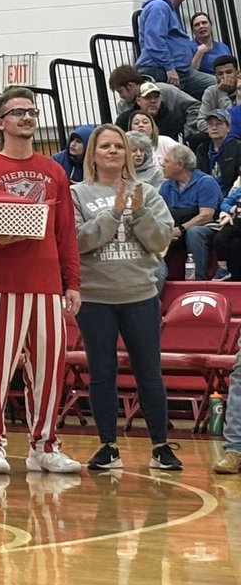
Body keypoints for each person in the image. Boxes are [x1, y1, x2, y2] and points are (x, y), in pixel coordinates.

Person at [0, 87, 82, 475]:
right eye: (17, 112)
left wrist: (73, 283)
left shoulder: (54, 171)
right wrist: (2, 235)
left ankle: (44, 444)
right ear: (0, 122)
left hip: (48, 285)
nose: (27, 117)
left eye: (31, 111)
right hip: (3, 286)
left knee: (50, 368)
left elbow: (65, 232)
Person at [71, 125, 182, 471]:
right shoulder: (78, 194)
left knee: (149, 371)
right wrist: (115, 214)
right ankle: (108, 445)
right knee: (102, 372)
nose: (113, 151)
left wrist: (139, 214)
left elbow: (162, 239)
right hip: (95, 298)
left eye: (118, 145)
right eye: (105, 146)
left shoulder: (147, 192)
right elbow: (77, 242)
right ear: (94, 153)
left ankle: (161, 446)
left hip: (140, 294)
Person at [135, 0, 215, 99]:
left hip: (180, 71)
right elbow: (155, 40)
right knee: (171, 107)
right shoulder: (159, 7)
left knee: (216, 86)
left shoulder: (164, 8)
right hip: (161, 70)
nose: (183, 0)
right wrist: (169, 68)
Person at [158, 144, 222, 281]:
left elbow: (206, 215)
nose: (162, 164)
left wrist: (180, 229)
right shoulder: (166, 186)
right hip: (177, 227)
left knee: (195, 232)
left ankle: (198, 280)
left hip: (208, 228)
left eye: (167, 161)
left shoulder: (206, 182)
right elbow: (160, 215)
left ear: (180, 165)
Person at [109, 64, 199, 140]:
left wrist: (186, 134)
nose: (152, 101)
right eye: (147, 97)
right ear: (138, 101)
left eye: (120, 91)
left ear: (130, 85)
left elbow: (195, 107)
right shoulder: (123, 106)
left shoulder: (166, 90)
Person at [195, 108, 241, 192]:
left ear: (228, 128)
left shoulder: (238, 147)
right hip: (207, 193)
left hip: (231, 193)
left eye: (219, 124)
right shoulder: (202, 149)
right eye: (210, 124)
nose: (214, 128)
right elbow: (198, 175)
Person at [192, 54, 239, 132]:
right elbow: (200, 124)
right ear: (216, 76)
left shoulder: (239, 89)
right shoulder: (210, 92)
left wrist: (222, 94)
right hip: (217, 134)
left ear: (237, 73)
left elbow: (235, 122)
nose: (225, 77)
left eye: (229, 72)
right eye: (220, 74)